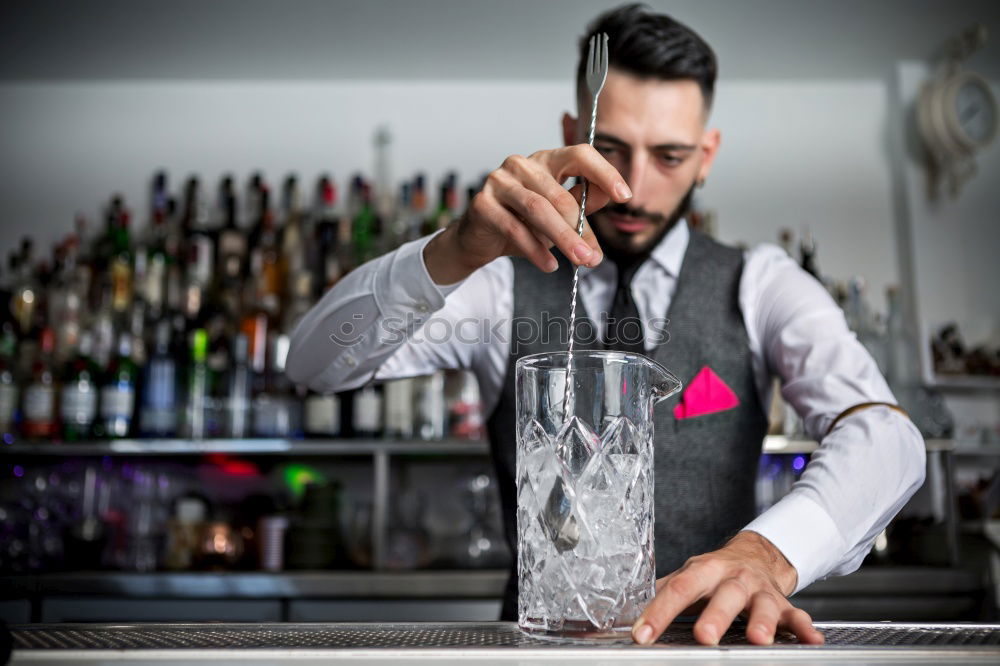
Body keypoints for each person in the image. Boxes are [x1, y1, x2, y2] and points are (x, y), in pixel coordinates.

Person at [287, 3, 925, 646]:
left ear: (707, 156)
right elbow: (312, 365)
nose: (633, 190)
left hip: (716, 654)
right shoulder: (500, 282)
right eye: (610, 150)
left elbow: (887, 438)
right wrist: (451, 250)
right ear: (573, 133)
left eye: (671, 157)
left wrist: (770, 551)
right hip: (538, 650)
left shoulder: (761, 284)